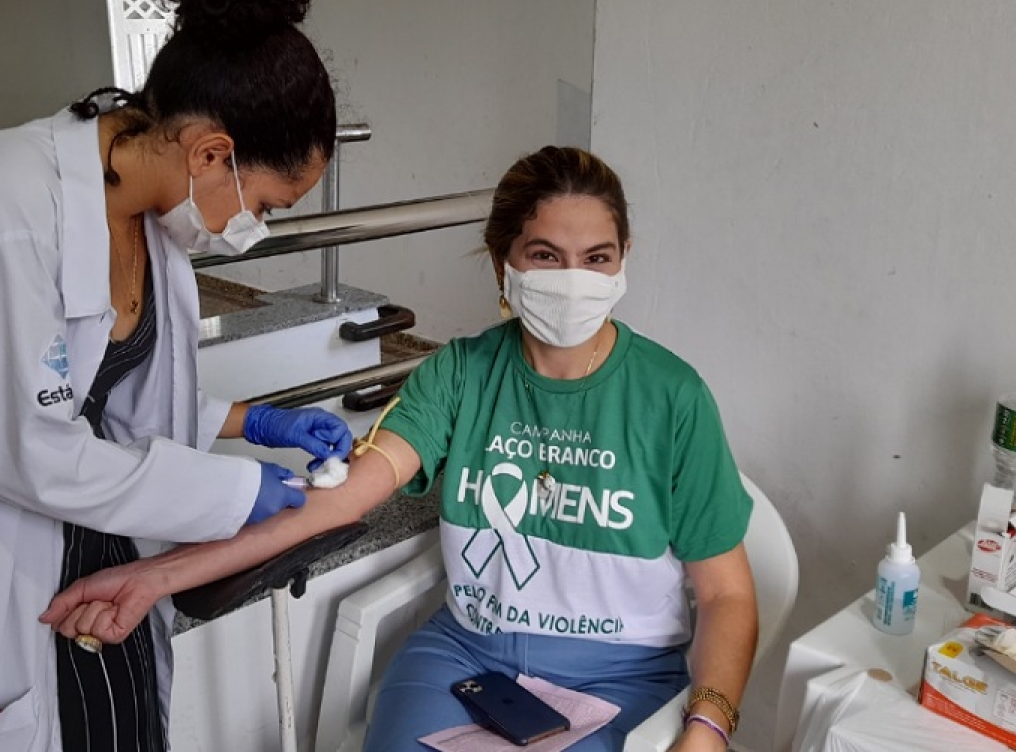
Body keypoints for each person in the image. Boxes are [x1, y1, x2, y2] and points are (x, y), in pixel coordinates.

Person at [40, 146, 758, 751]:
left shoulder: (672, 398)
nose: (573, 279)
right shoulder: (460, 373)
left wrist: (709, 724)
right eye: (546, 255)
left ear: (623, 258)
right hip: (470, 654)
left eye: (595, 256)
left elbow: (726, 593)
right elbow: (336, 503)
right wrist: (154, 578)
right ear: (503, 261)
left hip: (621, 676)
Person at [0, 0, 352, 750]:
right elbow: (24, 447)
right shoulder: (5, 203)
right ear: (212, 154)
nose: (259, 228)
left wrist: (257, 422)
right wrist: (232, 491)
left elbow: (111, 399)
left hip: (94, 559)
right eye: (269, 205)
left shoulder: (156, 220)